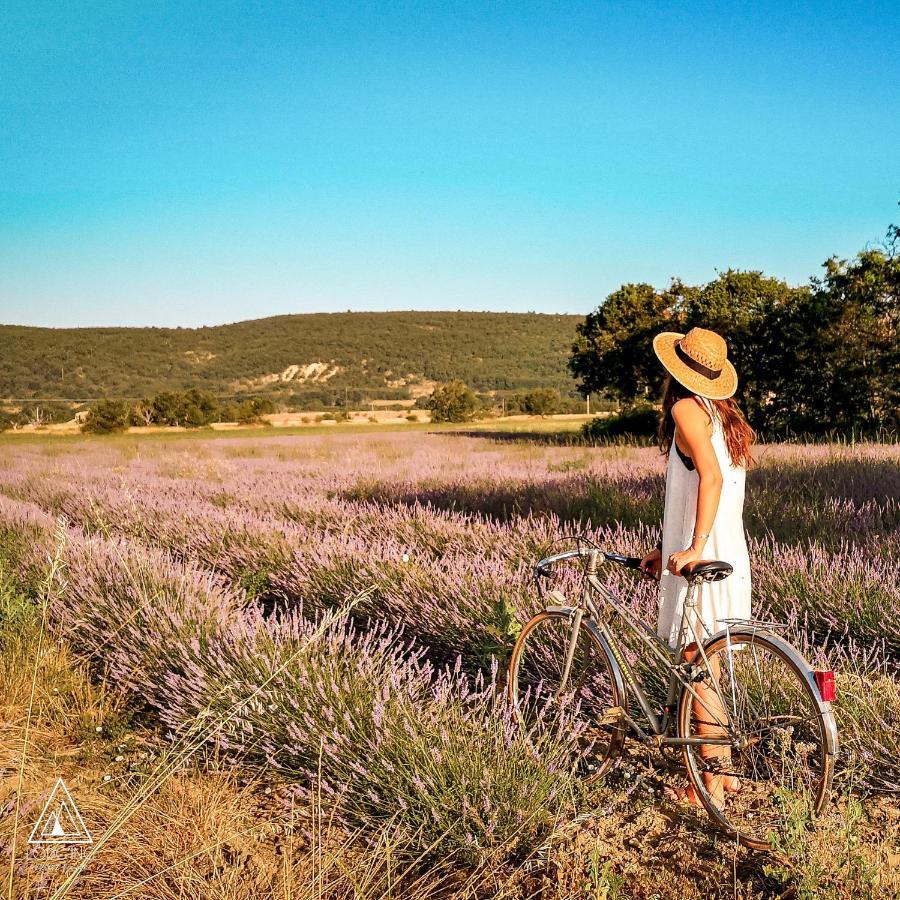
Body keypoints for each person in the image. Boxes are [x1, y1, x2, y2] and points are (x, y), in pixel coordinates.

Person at [639, 326, 755, 808]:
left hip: (704, 552)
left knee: (696, 666)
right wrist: (665, 546)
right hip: (726, 548)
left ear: (676, 369)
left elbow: (710, 478)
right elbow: (696, 489)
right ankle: (724, 774)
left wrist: (693, 547)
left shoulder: (686, 408)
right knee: (703, 663)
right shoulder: (720, 414)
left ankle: (711, 783)